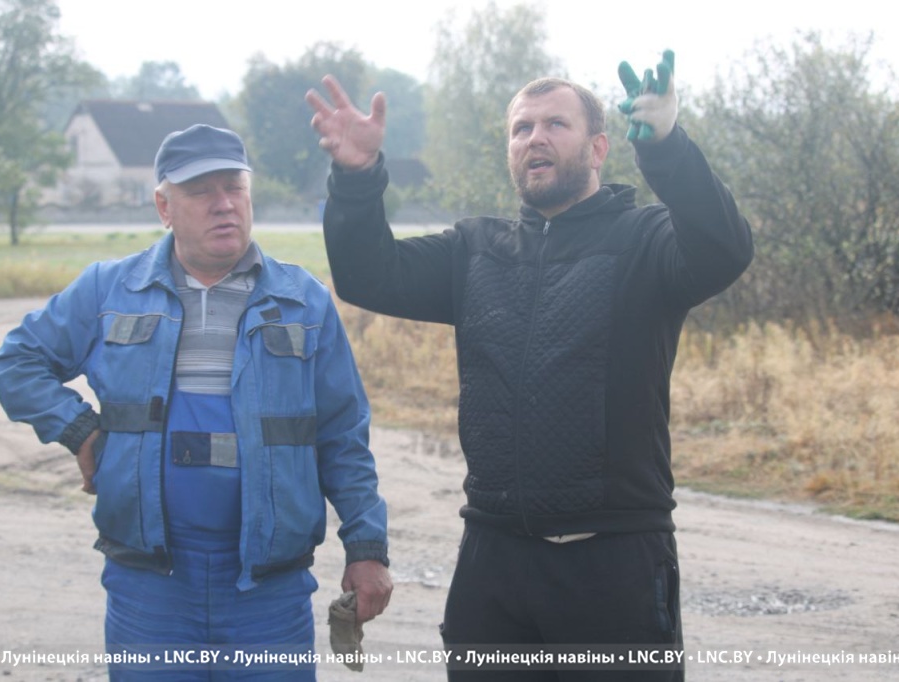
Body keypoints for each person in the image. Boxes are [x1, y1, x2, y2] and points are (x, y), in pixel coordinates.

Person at [306, 51, 752, 681]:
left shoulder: (644, 241)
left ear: (598, 149)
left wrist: (667, 147)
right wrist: (356, 176)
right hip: (494, 565)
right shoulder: (474, 251)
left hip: (614, 564)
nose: (535, 137)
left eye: (555, 124)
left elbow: (724, 249)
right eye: (522, 128)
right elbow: (367, 274)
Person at [0, 124, 392, 680]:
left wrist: (367, 547)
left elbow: (343, 437)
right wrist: (78, 428)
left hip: (268, 596)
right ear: (164, 207)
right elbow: (15, 363)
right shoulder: (109, 290)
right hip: (151, 591)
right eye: (201, 191)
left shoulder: (304, 302)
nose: (224, 204)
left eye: (235, 187)